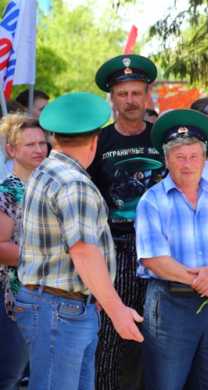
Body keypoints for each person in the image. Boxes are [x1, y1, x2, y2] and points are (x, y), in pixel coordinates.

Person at [15, 92, 144, 390]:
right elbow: (84, 252)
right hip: (61, 309)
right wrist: (117, 310)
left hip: (56, 305)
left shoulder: (45, 170)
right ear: (94, 141)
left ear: (55, 138)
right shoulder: (74, 183)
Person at [136, 109, 208, 390]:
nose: (188, 164)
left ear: (205, 158)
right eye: (179, 157)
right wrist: (203, 282)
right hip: (170, 303)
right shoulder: (153, 200)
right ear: (167, 159)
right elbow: (154, 259)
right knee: (165, 384)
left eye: (194, 156)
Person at [90, 54, 164, 390]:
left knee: (158, 336)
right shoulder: (99, 142)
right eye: (123, 94)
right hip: (115, 248)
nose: (130, 101)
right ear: (113, 98)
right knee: (110, 333)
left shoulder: (163, 138)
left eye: (136, 93)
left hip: (162, 251)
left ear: (147, 94)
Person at [0, 115, 47, 390]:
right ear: (12, 150)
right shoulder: (7, 192)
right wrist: (47, 256)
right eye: (30, 144)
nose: (39, 149)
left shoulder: (50, 187)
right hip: (14, 298)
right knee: (10, 374)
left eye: (42, 142)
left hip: (49, 297)